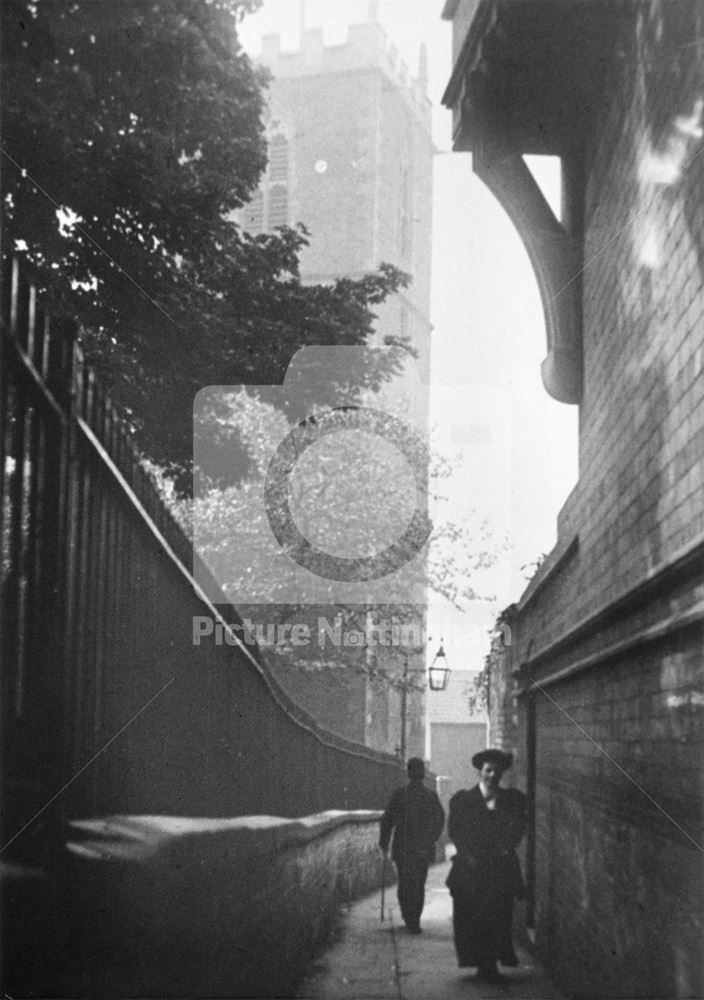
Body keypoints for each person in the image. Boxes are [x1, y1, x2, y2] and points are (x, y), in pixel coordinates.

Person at [447, 748, 527, 982]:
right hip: (471, 868)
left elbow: (520, 826)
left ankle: (491, 962)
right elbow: (455, 830)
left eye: (497, 771)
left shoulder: (511, 800)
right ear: (480, 772)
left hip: (500, 868)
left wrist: (508, 845)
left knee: (498, 914)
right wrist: (467, 853)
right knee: (472, 915)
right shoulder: (463, 801)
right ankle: (480, 960)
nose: (492, 775)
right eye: (488, 770)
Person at [379, 757, 445, 933]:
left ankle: (408, 916)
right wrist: (432, 838)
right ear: (423, 774)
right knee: (418, 883)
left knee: (405, 882)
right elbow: (440, 819)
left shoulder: (400, 795)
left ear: (408, 773)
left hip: (403, 846)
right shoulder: (430, 796)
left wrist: (384, 842)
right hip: (422, 847)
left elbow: (387, 820)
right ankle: (414, 918)